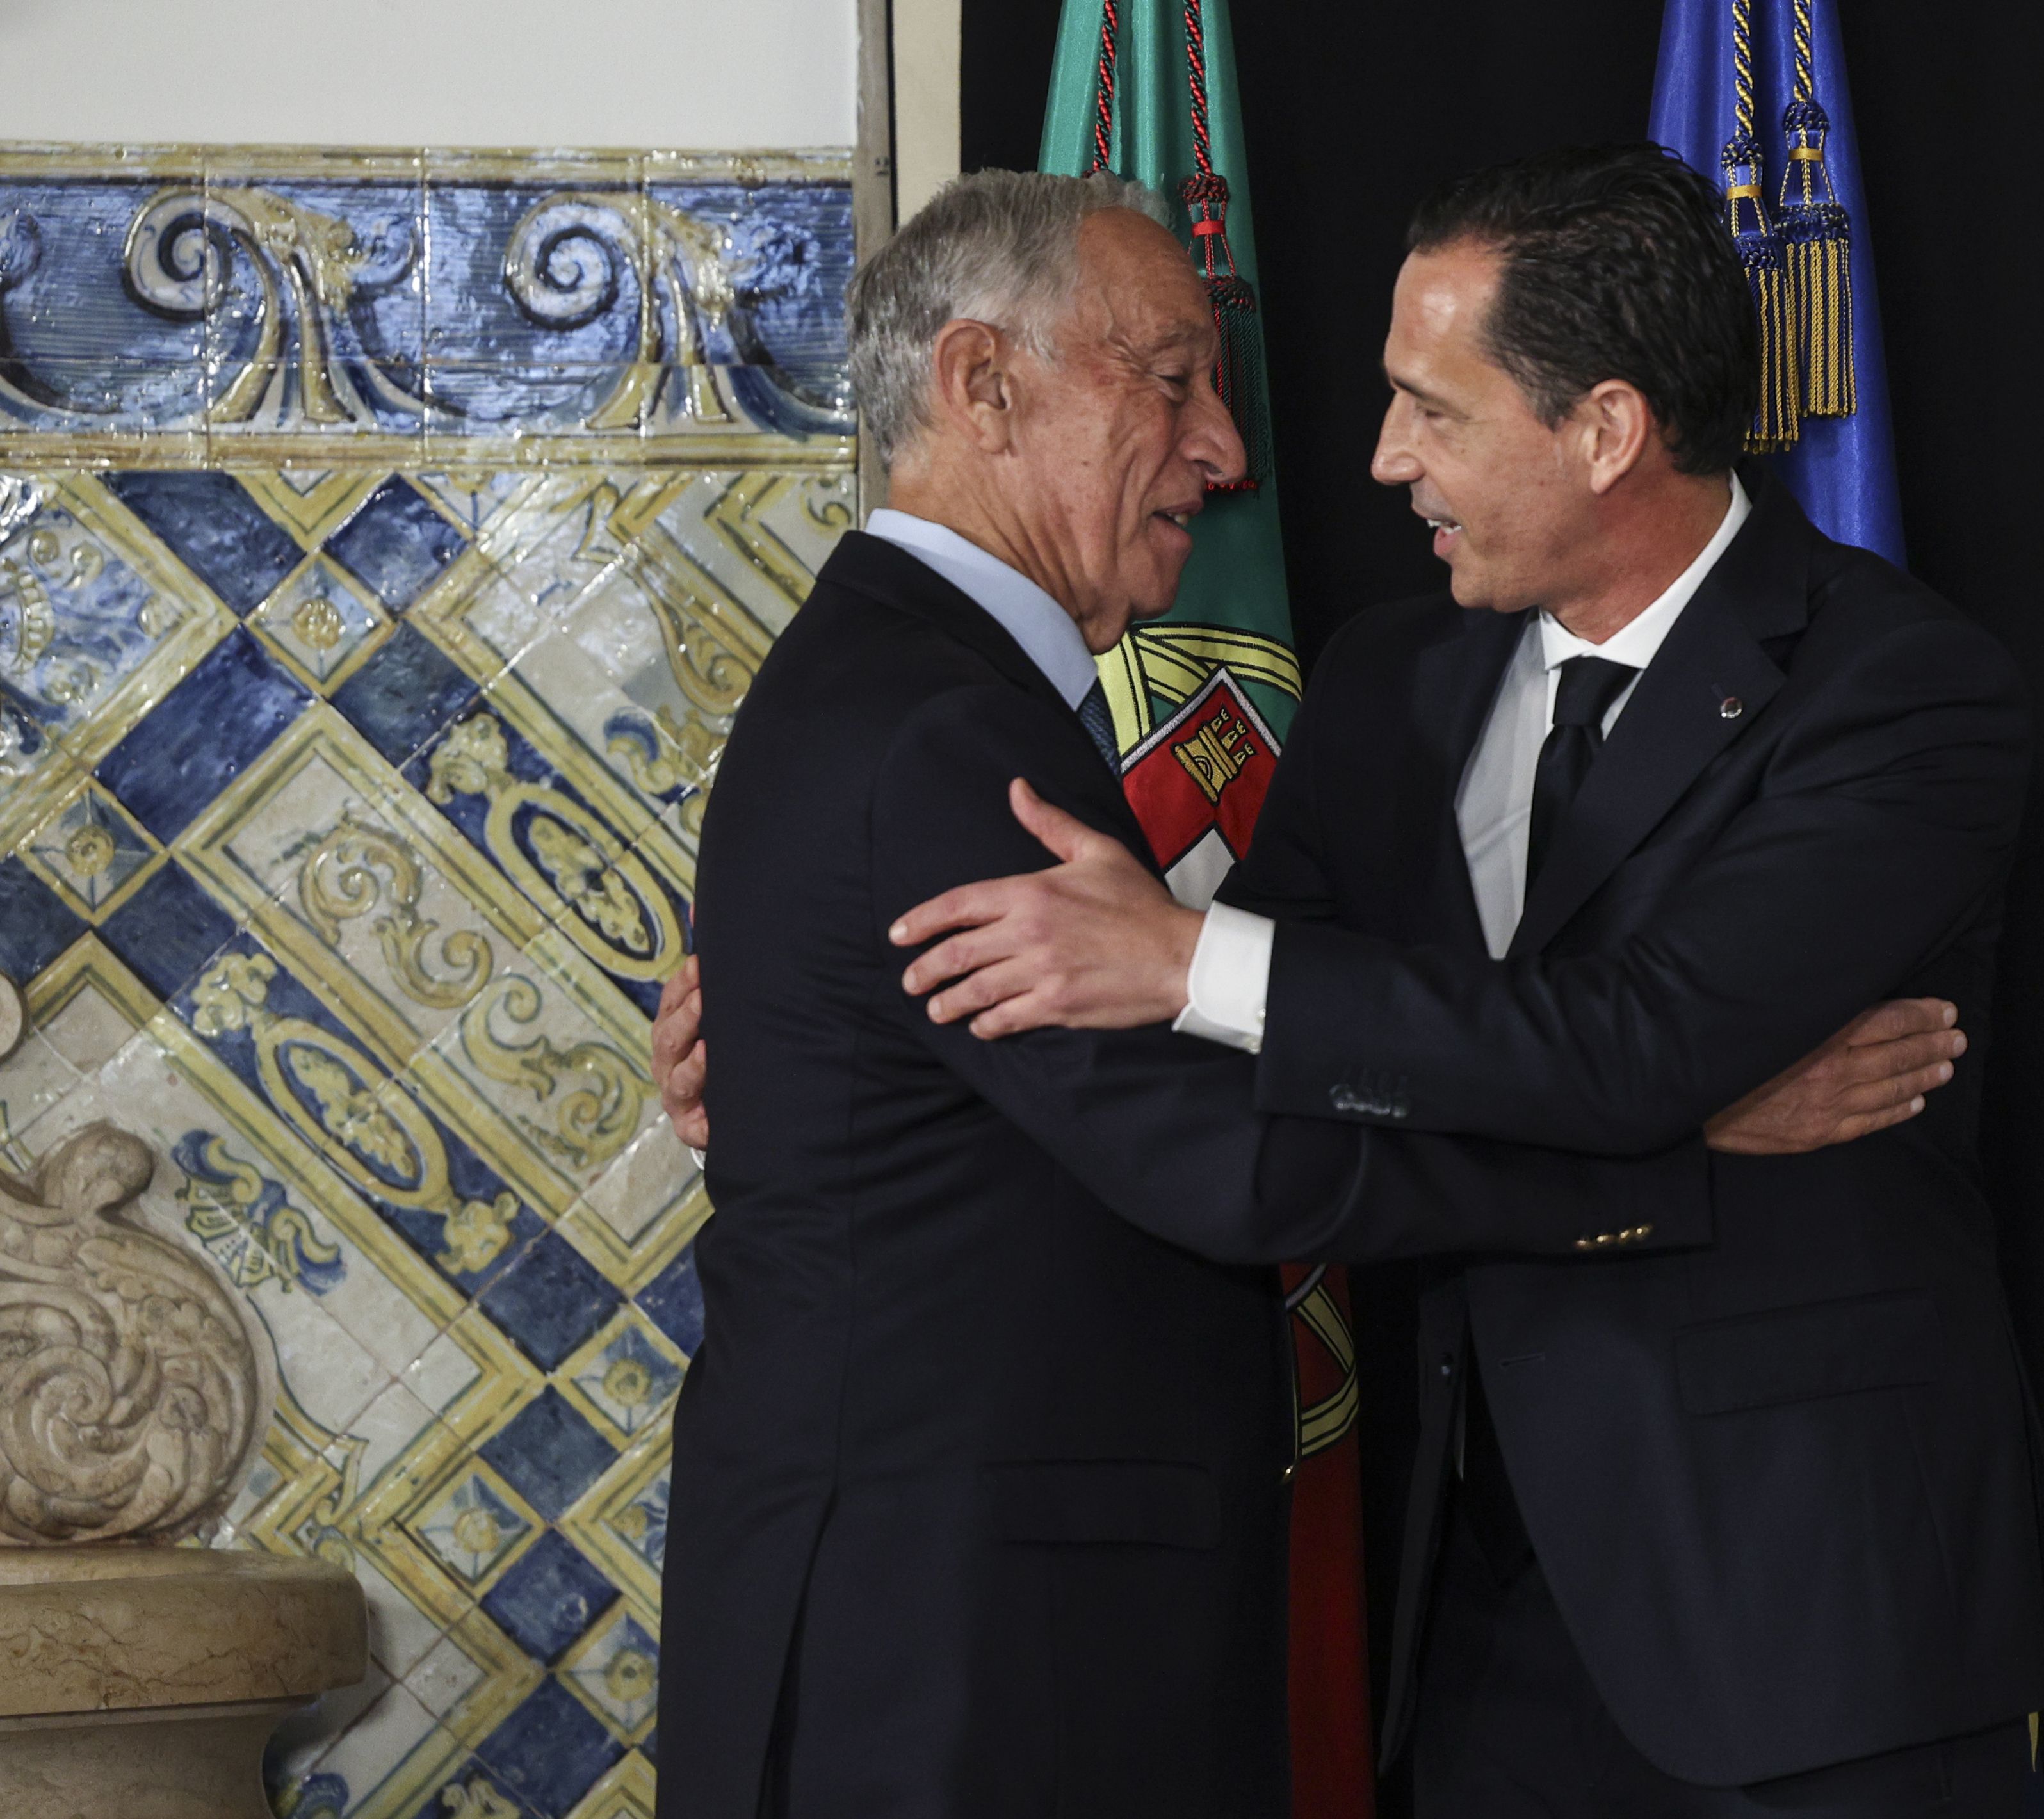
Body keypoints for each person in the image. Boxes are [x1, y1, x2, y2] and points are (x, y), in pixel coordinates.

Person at [656, 166, 1964, 1819]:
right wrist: (813, 1042)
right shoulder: (1102, 708)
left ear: (1608, 427)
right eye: (1174, 379)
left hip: (1797, 1632)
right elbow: (1232, 1127)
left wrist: (861, 1030)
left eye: (1429, 406)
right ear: (981, 384)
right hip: (1099, 1648)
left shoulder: (1899, 686)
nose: (1266, 456)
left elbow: (1371, 1025)